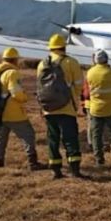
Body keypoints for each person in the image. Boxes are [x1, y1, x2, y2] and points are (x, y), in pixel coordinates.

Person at [37, 34, 86, 179]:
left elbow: (40, 87)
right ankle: (75, 170)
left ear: (51, 48)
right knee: (70, 139)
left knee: (53, 139)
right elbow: (79, 85)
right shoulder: (71, 62)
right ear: (64, 47)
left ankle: (56, 170)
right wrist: (73, 99)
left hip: (49, 109)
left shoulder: (42, 64)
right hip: (67, 108)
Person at [0, 47, 45, 170]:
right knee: (28, 135)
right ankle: (33, 162)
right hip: (13, 113)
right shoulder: (12, 73)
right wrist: (24, 97)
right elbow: (15, 92)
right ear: (15, 60)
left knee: (0, 138)